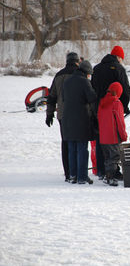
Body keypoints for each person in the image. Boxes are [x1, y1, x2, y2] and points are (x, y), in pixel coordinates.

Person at [91, 45, 130, 180]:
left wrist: (95, 107)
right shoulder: (119, 69)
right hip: (114, 108)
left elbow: (93, 89)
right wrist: (124, 107)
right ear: (118, 57)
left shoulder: (96, 68)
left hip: (99, 108)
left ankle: (101, 170)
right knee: (114, 141)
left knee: (101, 139)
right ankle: (112, 172)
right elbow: (125, 89)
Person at [61, 60, 97, 185]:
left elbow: (64, 98)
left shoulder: (67, 81)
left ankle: (73, 175)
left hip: (67, 119)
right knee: (82, 148)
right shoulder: (85, 82)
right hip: (81, 119)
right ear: (86, 72)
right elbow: (92, 98)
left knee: (71, 148)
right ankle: (82, 176)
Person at [46, 52, 80, 182]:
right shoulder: (80, 74)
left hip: (62, 115)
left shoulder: (58, 75)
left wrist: (49, 114)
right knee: (79, 142)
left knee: (65, 143)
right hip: (78, 114)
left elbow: (51, 96)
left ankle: (68, 173)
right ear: (77, 61)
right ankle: (77, 171)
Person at [98, 82, 128, 186]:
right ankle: (110, 177)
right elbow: (120, 122)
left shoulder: (102, 102)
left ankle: (113, 174)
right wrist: (123, 135)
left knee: (108, 158)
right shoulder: (116, 103)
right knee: (114, 157)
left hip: (103, 136)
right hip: (113, 136)